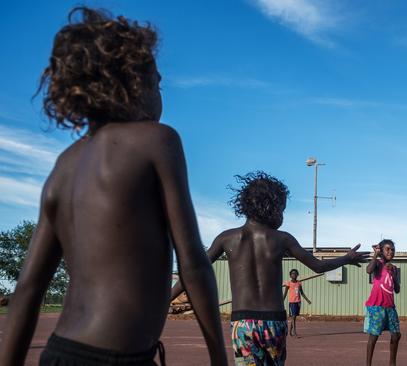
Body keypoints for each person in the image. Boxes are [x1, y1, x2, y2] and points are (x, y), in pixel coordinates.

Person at [0, 7, 228, 366]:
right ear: (133, 84)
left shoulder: (64, 165)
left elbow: (27, 289)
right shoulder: (158, 140)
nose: (159, 94)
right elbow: (193, 263)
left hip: (59, 353)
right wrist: (218, 357)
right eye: (157, 83)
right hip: (118, 358)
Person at [170, 171, 367, 366]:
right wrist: (346, 258)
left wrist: (167, 298)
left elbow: (194, 271)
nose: (282, 215)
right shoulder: (282, 239)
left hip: (242, 323)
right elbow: (318, 266)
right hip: (274, 322)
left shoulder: (226, 238)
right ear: (270, 207)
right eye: (282, 209)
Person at [364, 239, 401, 366]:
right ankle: (368, 364)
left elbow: (397, 290)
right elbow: (369, 270)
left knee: (396, 335)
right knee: (374, 336)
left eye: (393, 249)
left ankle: (392, 363)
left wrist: (394, 274)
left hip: (390, 307)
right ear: (381, 250)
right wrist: (376, 254)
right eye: (387, 249)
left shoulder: (394, 268)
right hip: (376, 306)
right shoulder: (378, 264)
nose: (391, 251)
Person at [283, 269, 312, 337]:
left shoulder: (299, 283)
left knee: (295, 317)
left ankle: (290, 331)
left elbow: (301, 293)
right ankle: (294, 331)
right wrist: (282, 301)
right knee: (293, 316)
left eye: (295, 273)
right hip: (292, 302)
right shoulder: (288, 283)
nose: (294, 275)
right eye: (292, 274)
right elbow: (285, 293)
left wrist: (307, 300)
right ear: (290, 275)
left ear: (297, 275)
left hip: (298, 302)